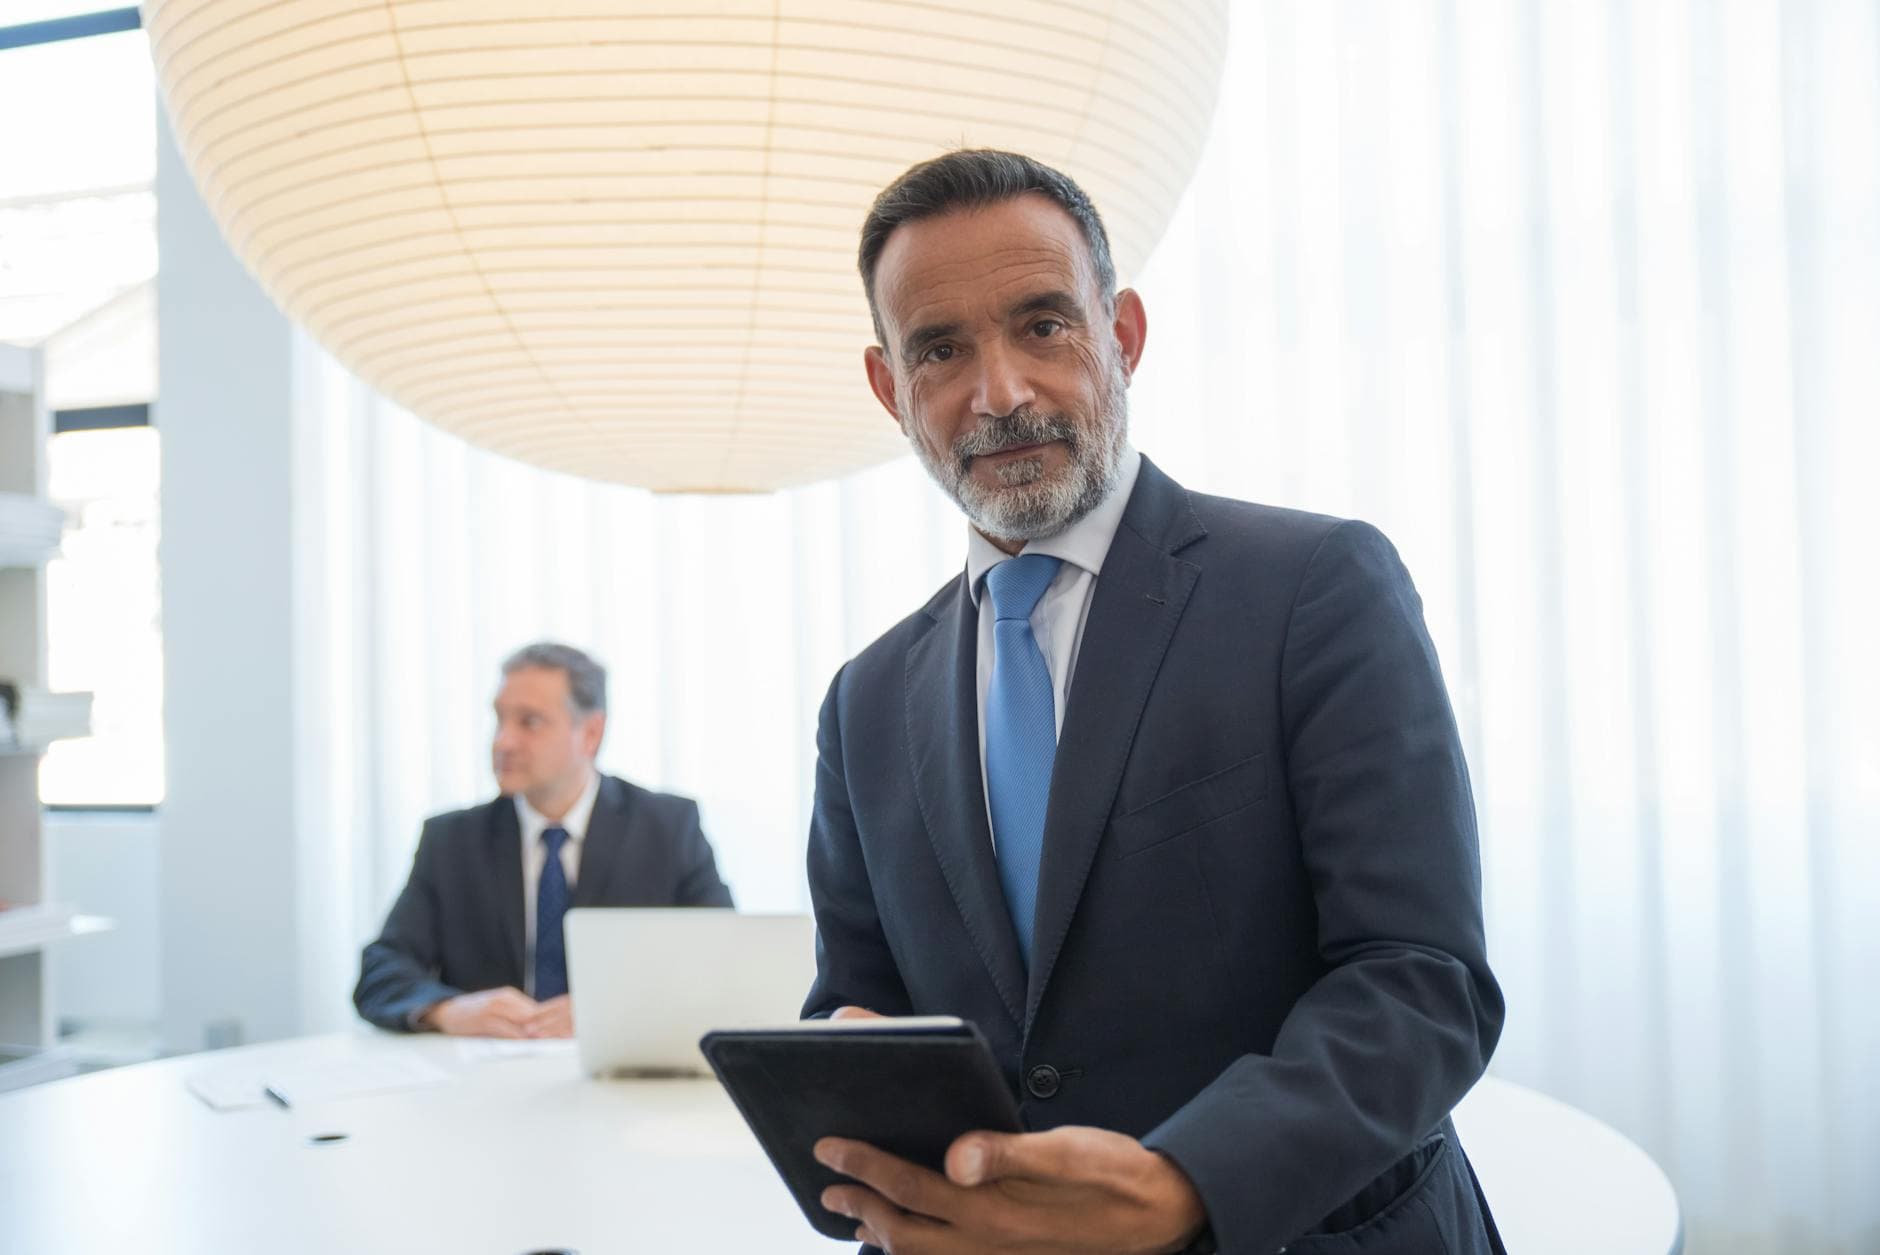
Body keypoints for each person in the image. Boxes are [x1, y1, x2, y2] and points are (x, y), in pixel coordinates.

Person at [800, 150, 1506, 1255]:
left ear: (1120, 336)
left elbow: (1420, 982)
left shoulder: (1315, 587)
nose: (999, 393)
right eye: (939, 348)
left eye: (1042, 325)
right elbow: (857, 1005)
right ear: (890, 389)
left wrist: (1185, 1182)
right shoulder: (864, 702)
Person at [354, 642, 733, 1037]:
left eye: (529, 722)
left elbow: (720, 961)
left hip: (621, 1073)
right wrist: (447, 1009)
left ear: (590, 733)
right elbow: (382, 970)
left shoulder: (667, 827)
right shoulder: (452, 841)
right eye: (499, 719)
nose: (503, 742)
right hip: (487, 1077)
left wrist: (607, 1010)